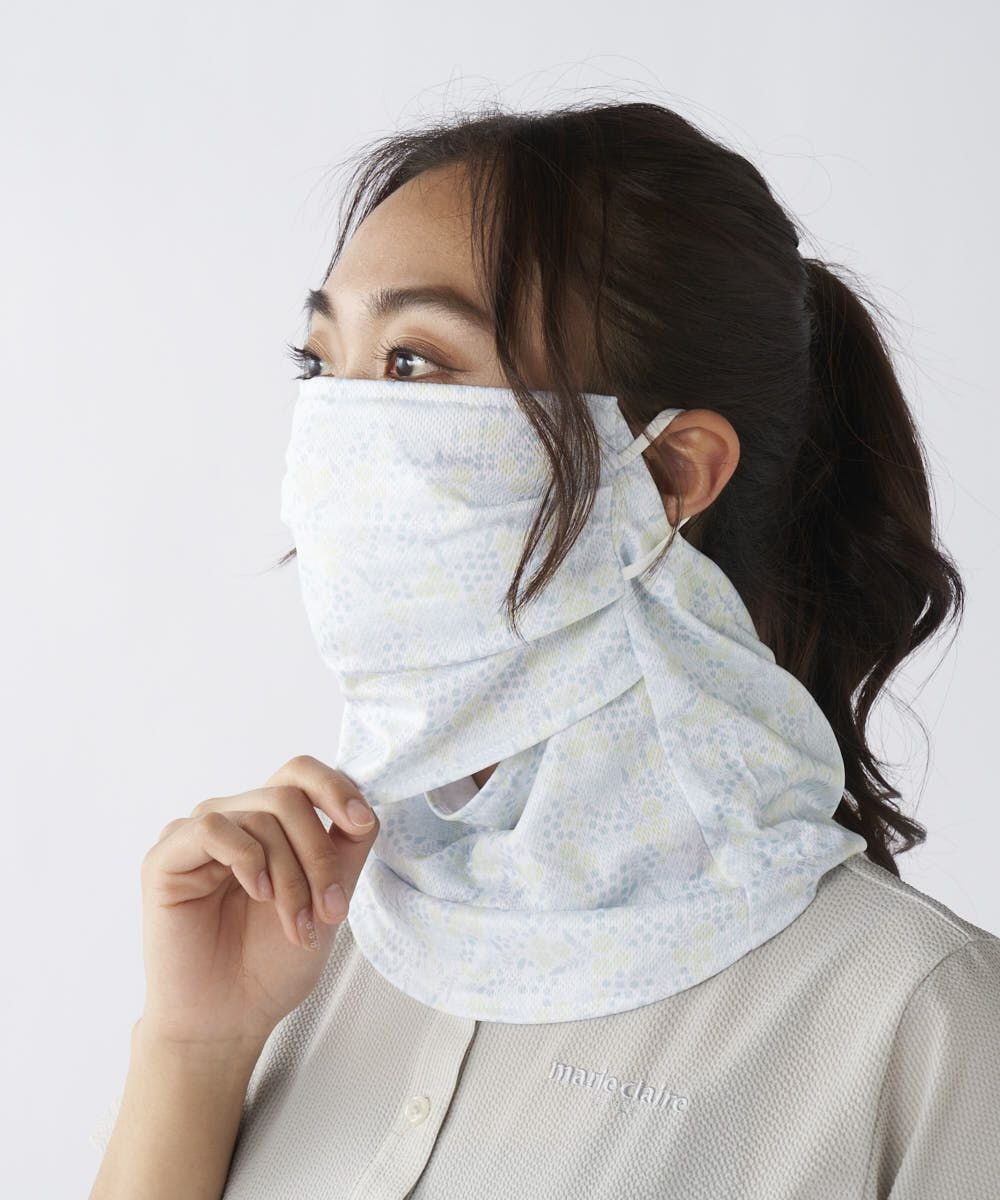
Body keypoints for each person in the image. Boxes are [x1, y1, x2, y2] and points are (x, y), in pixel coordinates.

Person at [88, 101, 1000, 1199]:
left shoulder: (917, 1020)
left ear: (666, 474)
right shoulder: (304, 942)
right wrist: (193, 1049)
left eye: (413, 363)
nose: (336, 437)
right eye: (320, 362)